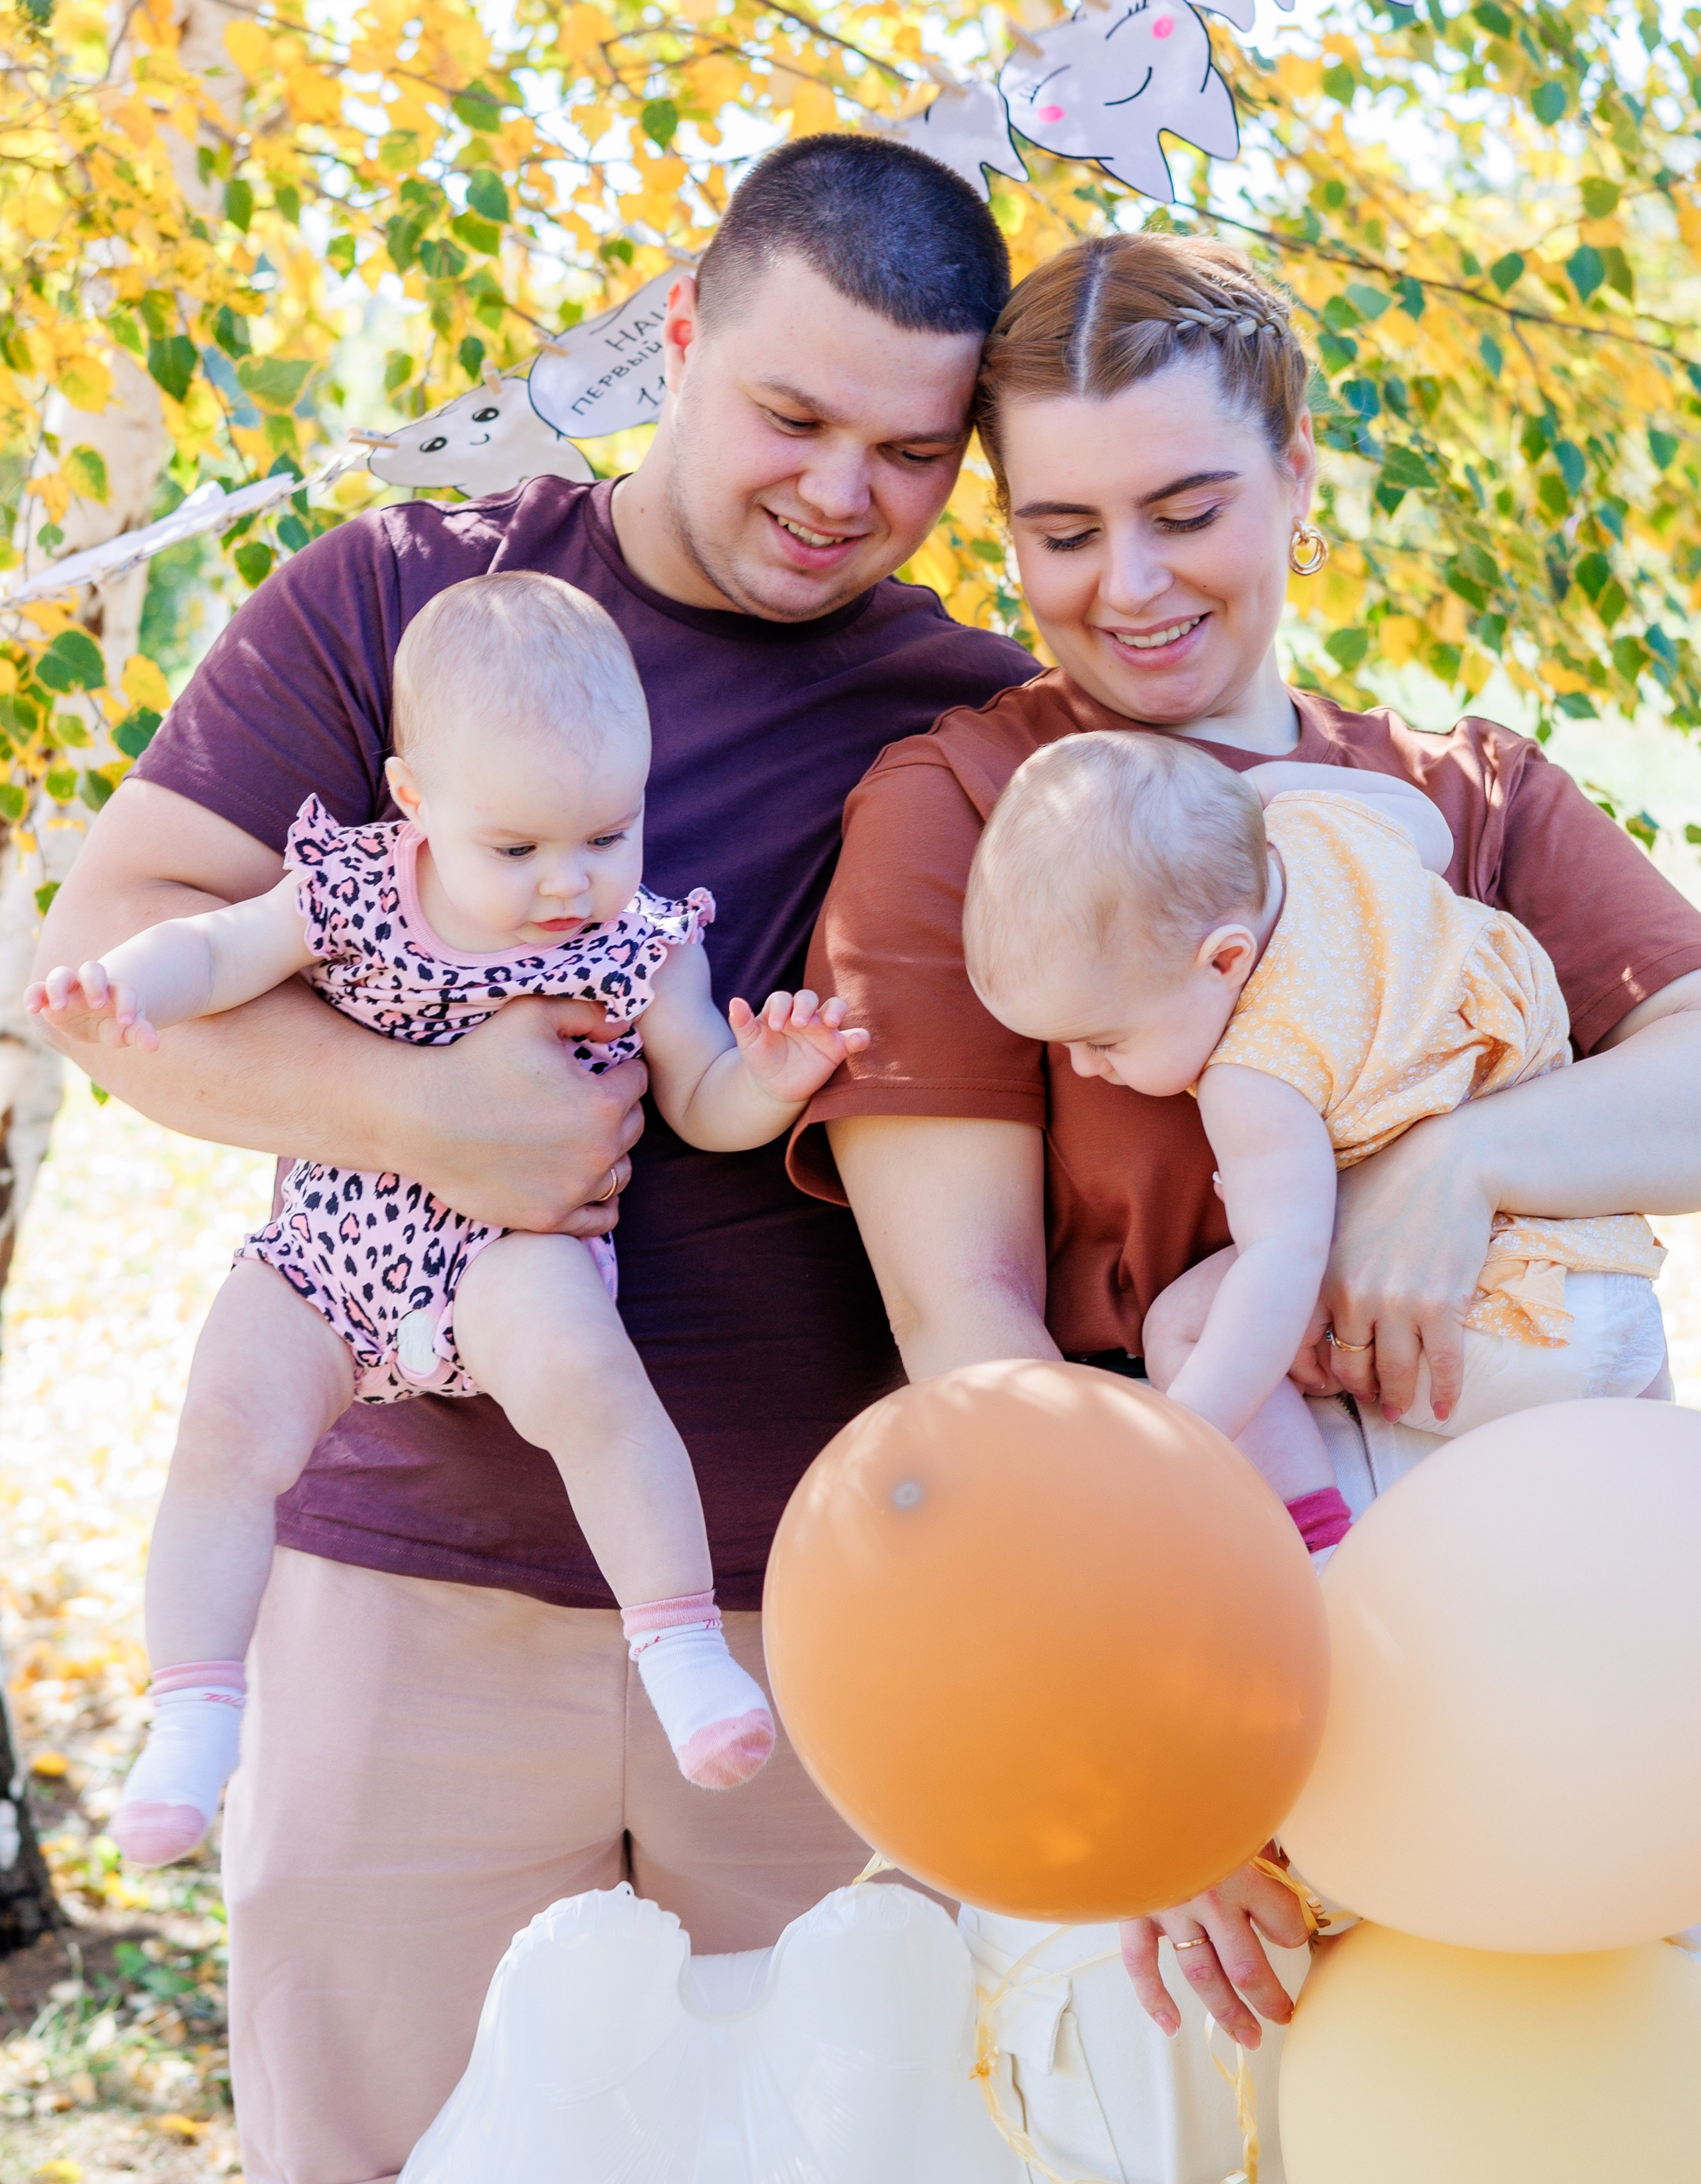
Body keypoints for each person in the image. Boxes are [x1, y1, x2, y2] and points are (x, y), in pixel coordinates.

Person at [32, 134, 1038, 2184]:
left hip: (821, 1625)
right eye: (791, 413)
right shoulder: (403, 601)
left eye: (913, 451)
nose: (840, 490)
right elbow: (106, 954)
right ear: (679, 332)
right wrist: (430, 1114)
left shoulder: (978, 718)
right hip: (406, 1593)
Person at [793, 229, 1701, 2057]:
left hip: (1560, 1653)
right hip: (1163, 1631)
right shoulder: (969, 811)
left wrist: (1458, 1164)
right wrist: (1143, 1753)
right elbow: (967, 1321)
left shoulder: (1458, 797)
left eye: (1186, 509)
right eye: (1062, 531)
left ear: (1293, 474)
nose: (1126, 584)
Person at [35, 574, 879, 1862]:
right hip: (330, 1249)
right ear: (416, 802)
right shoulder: (353, 889)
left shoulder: (640, 944)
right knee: (225, 1428)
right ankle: (194, 1714)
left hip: (509, 1253)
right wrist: (122, 985)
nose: (568, 883)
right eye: (518, 850)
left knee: (592, 1385)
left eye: (608, 834)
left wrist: (768, 1079)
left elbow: (703, 1099)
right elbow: (210, 953)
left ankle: (679, 1644)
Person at [962, 729, 1666, 1549]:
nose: (1085, 1069)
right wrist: (1267, 791)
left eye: (1102, 1040)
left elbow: (1283, 1264)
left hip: (1487, 1334)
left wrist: (1182, 1432)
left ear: (1224, 961)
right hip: (1609, 1289)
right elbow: (1431, 832)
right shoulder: (1328, 828)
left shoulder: (1256, 1073)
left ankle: (1316, 1542)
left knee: (1183, 1327)